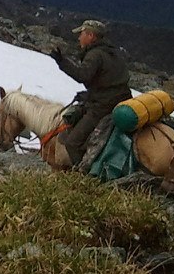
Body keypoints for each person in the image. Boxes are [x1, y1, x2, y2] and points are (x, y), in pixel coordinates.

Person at [49, 20, 132, 167]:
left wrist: (62, 61)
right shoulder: (113, 53)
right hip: (123, 100)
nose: (79, 38)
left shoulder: (94, 54)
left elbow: (83, 75)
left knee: (72, 142)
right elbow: (107, 82)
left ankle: (83, 174)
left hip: (103, 106)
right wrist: (90, 94)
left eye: (82, 34)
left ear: (91, 35)